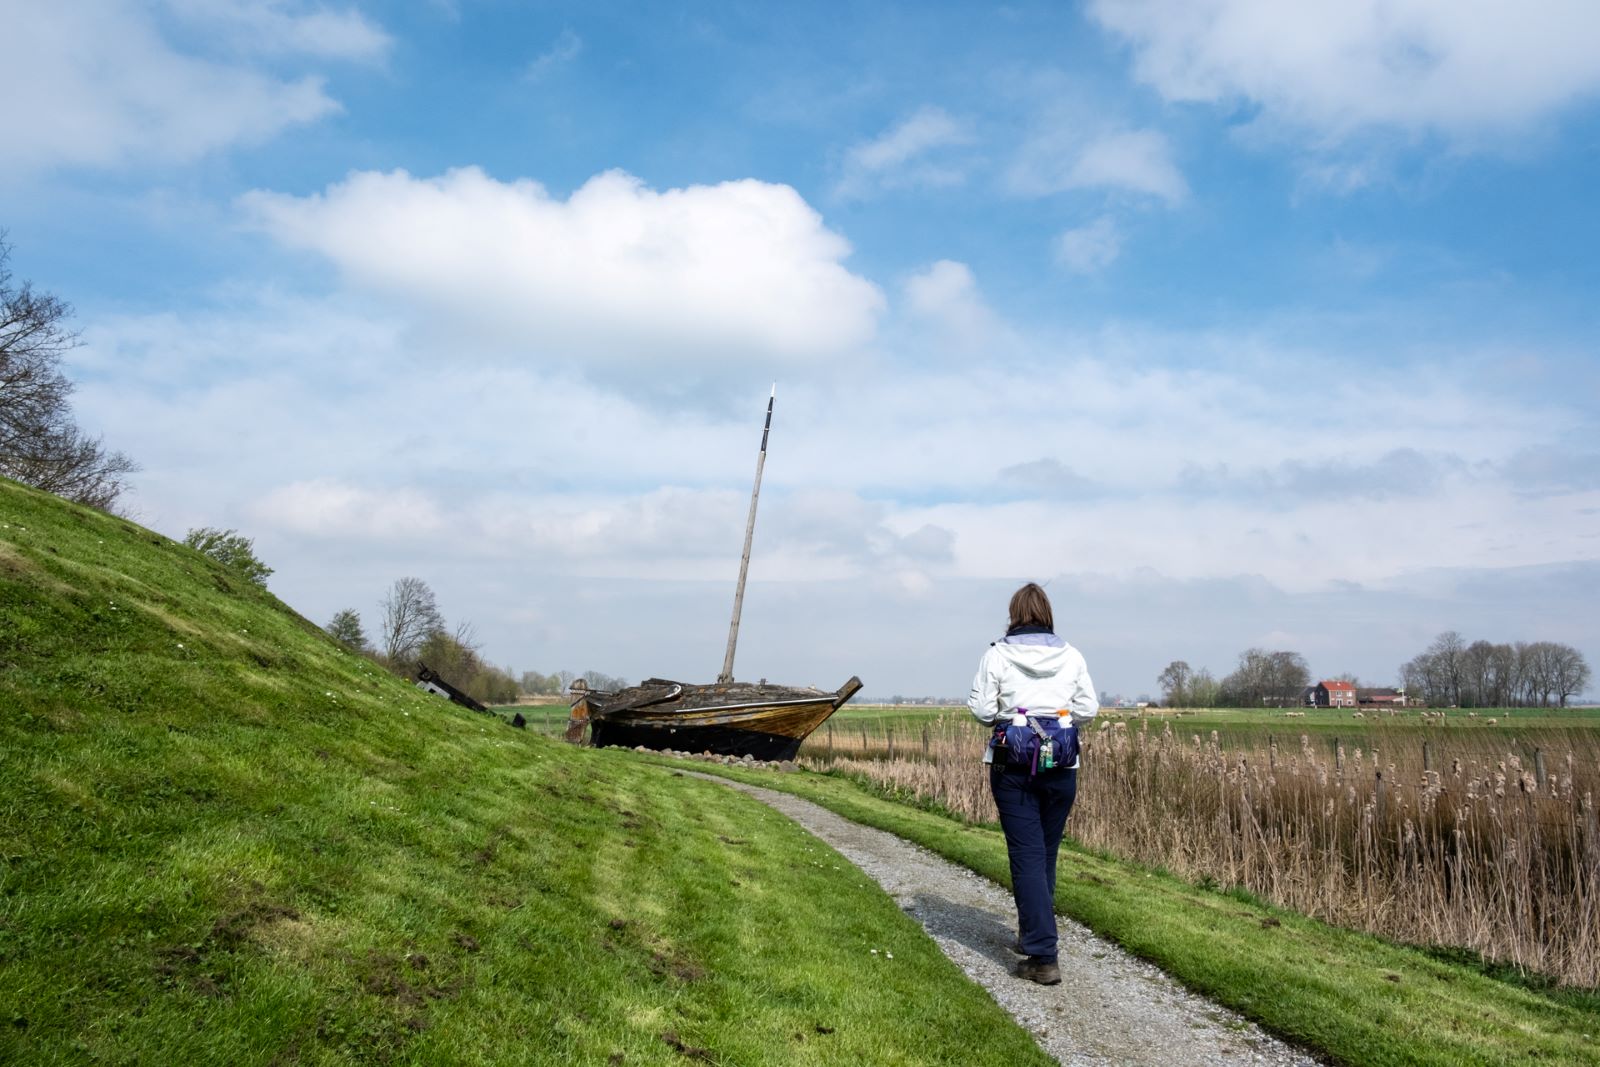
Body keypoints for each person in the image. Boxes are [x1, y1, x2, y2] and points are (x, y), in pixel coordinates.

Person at [967, 582, 1098, 985]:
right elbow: (1089, 709)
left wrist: (1008, 717)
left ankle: (1043, 956)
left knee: (1026, 855)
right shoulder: (1072, 655)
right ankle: (1031, 935)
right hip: (1062, 766)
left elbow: (982, 708)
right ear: (1047, 614)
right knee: (1045, 854)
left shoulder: (997, 655)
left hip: (1013, 767)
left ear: (1014, 615)